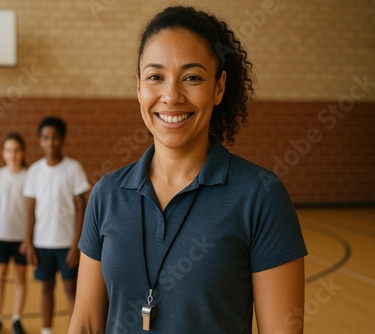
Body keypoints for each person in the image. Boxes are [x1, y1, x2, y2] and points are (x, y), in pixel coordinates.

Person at [69, 6, 308, 334]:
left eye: (192, 77)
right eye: (155, 77)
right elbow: (85, 325)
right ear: (138, 86)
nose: (171, 96)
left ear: (219, 87)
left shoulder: (260, 196)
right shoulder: (106, 194)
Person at [23, 116, 90, 334]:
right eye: (45, 138)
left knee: (71, 289)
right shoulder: (34, 171)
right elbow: (30, 210)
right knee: (46, 288)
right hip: (42, 243)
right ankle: (47, 330)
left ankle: (73, 330)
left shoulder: (73, 169)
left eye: (55, 138)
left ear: (62, 140)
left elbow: (82, 207)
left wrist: (76, 244)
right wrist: (29, 242)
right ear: (40, 141)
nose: (50, 142)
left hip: (66, 244)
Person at [0, 132, 29, 334]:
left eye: (16, 150)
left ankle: (16, 318)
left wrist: (30, 239)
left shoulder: (29, 176)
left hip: (21, 237)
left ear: (22, 153)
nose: (12, 155)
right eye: (8, 150)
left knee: (21, 279)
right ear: (3, 153)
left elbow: (33, 211)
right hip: (1, 235)